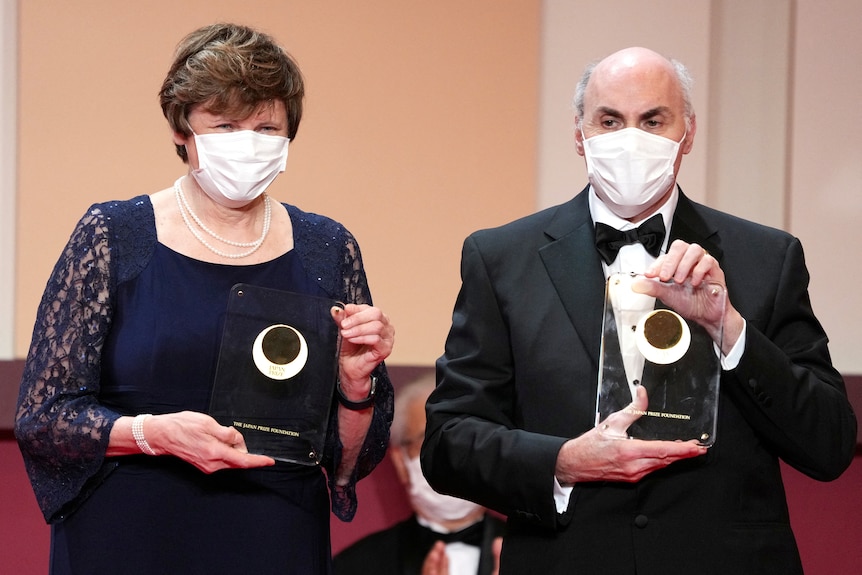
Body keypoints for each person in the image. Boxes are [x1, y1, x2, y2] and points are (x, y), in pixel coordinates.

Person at [421, 47, 857, 574]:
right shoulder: (500, 258)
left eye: (653, 119)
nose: (631, 139)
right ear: (579, 136)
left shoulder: (766, 258)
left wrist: (730, 329)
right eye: (610, 120)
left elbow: (829, 445)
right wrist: (562, 462)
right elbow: (449, 442)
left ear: (688, 133)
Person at [15, 23, 394, 575]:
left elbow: (344, 462)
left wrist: (355, 385)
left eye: (266, 127)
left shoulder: (327, 248)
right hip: (128, 536)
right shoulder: (114, 235)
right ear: (182, 133)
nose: (247, 143)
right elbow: (44, 418)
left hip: (275, 534)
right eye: (225, 125)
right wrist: (152, 433)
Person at [334, 373, 504, 575]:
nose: (451, 455)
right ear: (400, 463)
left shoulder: (536, 554)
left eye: (466, 438)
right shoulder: (355, 566)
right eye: (431, 439)